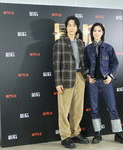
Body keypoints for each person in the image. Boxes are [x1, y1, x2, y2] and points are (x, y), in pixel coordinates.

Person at [85, 22, 123, 144]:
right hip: (93, 82)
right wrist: (88, 75)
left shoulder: (109, 48)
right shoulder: (88, 48)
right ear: (92, 33)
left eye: (99, 30)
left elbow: (115, 63)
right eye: (94, 30)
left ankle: (118, 133)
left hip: (106, 82)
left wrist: (110, 76)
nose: (96, 33)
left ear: (102, 32)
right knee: (94, 108)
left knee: (112, 108)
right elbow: (86, 65)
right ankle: (97, 133)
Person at [53, 16, 89, 149]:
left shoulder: (81, 43)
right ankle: (65, 136)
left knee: (78, 108)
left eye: (74, 25)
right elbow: (56, 63)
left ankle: (75, 133)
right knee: (64, 109)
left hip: (80, 77)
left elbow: (83, 62)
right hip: (66, 78)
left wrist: (86, 76)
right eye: (69, 25)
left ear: (77, 27)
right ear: (66, 27)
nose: (71, 27)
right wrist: (58, 82)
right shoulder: (60, 42)